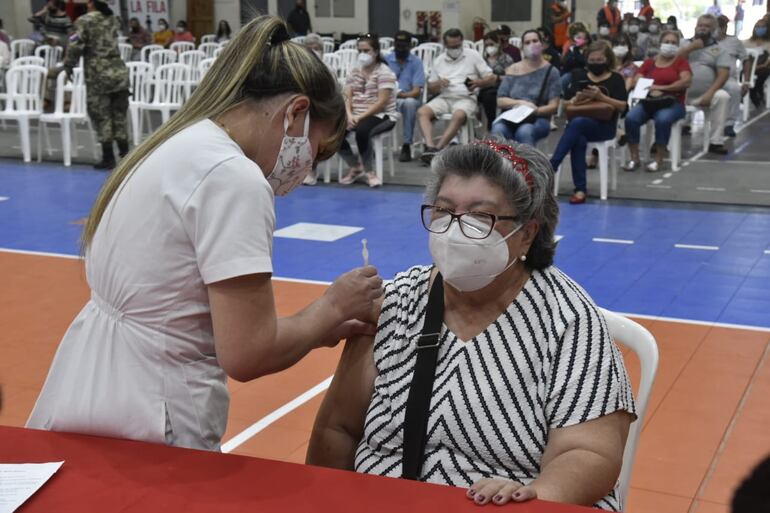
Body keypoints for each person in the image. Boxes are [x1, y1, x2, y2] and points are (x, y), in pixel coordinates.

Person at [27, 15, 383, 451]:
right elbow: (248, 352)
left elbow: (180, 305)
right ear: (297, 112)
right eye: (317, 149)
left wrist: (312, 329)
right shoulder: (234, 178)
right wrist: (332, 305)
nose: (307, 166)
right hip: (153, 410)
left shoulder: (180, 142)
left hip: (90, 381)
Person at [307, 139, 636, 511]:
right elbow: (338, 429)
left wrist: (537, 497)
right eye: (444, 211)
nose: (454, 230)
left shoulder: (568, 320)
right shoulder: (399, 301)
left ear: (527, 233)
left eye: (481, 216)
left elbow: (591, 453)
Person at [550, 41, 628, 204]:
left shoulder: (616, 79)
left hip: (604, 126)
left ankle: (551, 166)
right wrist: (576, 98)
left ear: (607, 60)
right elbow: (564, 104)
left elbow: (623, 106)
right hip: (579, 124)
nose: (595, 64)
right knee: (578, 137)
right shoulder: (579, 75)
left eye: (599, 60)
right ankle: (580, 190)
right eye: (592, 60)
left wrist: (601, 97)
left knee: (577, 124)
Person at [58, 0, 129, 169]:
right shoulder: (114, 19)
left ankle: (108, 157)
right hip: (119, 73)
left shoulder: (84, 21)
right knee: (119, 114)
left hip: (99, 75)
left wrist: (68, 66)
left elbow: (75, 45)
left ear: (90, 4)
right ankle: (126, 157)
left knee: (102, 114)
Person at [417, 28, 495, 163]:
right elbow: (430, 88)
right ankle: (430, 147)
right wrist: (438, 84)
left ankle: (438, 149)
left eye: (458, 46)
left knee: (458, 115)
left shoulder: (473, 55)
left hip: (466, 97)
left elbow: (491, 78)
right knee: (422, 112)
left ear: (462, 42)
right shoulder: (439, 60)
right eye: (452, 46)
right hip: (444, 97)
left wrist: (478, 82)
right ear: (445, 45)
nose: (455, 49)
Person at [624, 30, 692, 172]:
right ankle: (634, 158)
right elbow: (637, 79)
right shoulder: (649, 62)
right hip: (649, 102)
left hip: (673, 103)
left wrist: (662, 87)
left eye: (674, 43)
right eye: (667, 42)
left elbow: (686, 81)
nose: (670, 45)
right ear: (660, 44)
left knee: (662, 119)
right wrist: (650, 88)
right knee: (631, 118)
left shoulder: (681, 63)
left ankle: (659, 159)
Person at [337, 34, 397, 187]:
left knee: (363, 131)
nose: (363, 54)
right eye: (360, 51)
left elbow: (382, 102)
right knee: (334, 131)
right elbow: (347, 95)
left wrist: (359, 117)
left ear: (376, 52)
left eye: (366, 50)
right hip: (356, 114)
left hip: (382, 115)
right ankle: (355, 166)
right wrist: (349, 115)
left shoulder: (384, 72)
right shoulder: (355, 71)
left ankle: (369, 172)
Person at [491, 30, 560, 146]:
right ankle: (503, 163)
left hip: (538, 118)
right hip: (512, 115)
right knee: (498, 129)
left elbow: (553, 106)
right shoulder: (514, 68)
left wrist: (535, 110)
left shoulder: (552, 72)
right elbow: (500, 100)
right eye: (527, 43)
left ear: (542, 44)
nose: (531, 45)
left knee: (524, 131)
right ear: (522, 47)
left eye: (535, 41)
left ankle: (527, 163)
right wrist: (521, 103)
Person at [678, 14, 732, 155]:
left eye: (707, 26)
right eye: (700, 25)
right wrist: (690, 48)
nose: (702, 28)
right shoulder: (683, 44)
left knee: (723, 96)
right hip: (680, 93)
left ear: (714, 30)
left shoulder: (719, 49)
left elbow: (723, 74)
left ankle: (715, 142)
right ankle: (659, 141)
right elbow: (670, 63)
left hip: (705, 94)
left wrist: (710, 93)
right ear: (695, 27)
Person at [384, 30, 425, 162]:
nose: (400, 48)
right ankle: (371, 146)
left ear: (410, 46)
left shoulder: (416, 62)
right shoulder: (386, 60)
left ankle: (406, 145)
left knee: (410, 103)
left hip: (407, 97)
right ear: (394, 44)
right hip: (386, 98)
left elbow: (416, 91)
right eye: (398, 44)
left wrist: (401, 94)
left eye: (404, 45)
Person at [717, 15, 748, 137]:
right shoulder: (705, 41)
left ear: (725, 28)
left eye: (721, 27)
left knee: (735, 89)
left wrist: (746, 81)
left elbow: (746, 60)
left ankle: (729, 124)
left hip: (728, 79)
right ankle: (686, 124)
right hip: (709, 79)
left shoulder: (734, 42)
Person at [478, 31, 515, 131]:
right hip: (485, 87)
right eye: (487, 45)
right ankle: (491, 122)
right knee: (487, 97)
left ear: (498, 44)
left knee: (501, 97)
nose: (489, 47)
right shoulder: (481, 59)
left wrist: (497, 78)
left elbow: (510, 77)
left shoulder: (506, 59)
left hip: (502, 87)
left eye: (492, 44)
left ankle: (503, 123)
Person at [743, 18, 770, 107]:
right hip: (749, 68)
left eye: (762, 27)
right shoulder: (747, 42)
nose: (760, 29)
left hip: (763, 68)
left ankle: (755, 92)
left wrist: (763, 65)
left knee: (763, 73)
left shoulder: (768, 43)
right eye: (758, 27)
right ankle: (754, 93)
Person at [560, 27, 589, 92]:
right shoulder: (572, 49)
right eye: (577, 38)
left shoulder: (588, 51)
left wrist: (575, 51)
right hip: (569, 72)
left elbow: (582, 61)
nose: (577, 40)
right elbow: (565, 62)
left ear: (586, 40)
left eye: (579, 38)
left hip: (583, 73)